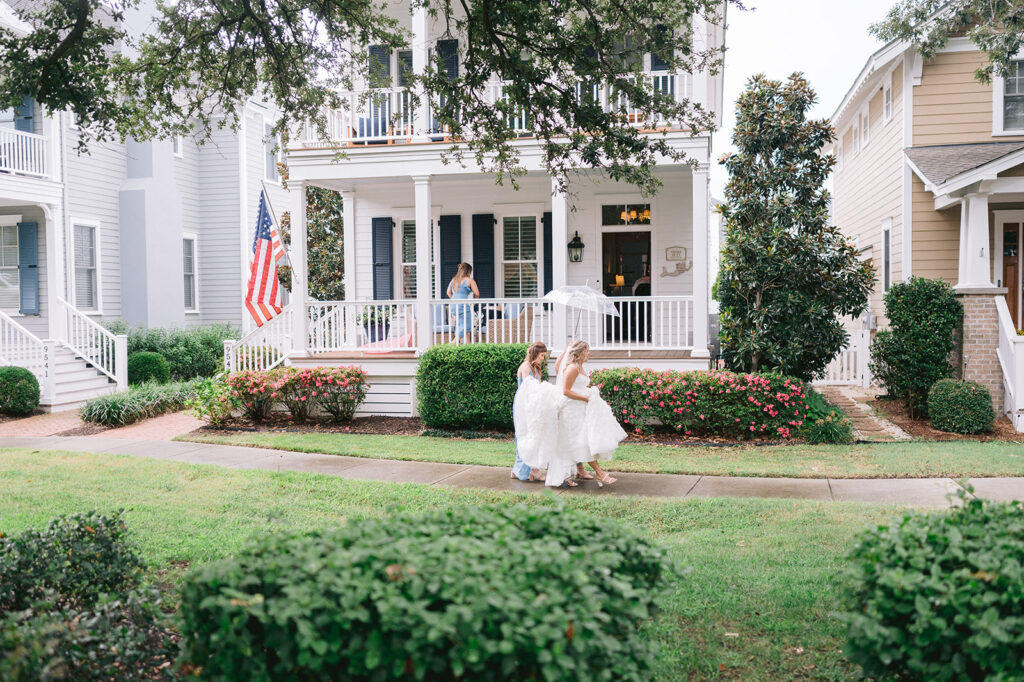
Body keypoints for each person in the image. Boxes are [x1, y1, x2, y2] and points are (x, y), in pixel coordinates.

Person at [554, 340, 625, 486]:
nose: (589, 353)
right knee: (578, 442)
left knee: (580, 442)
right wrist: (586, 398)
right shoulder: (572, 368)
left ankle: (576, 474)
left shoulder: (579, 366)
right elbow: (566, 391)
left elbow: (577, 387)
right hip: (571, 411)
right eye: (587, 351)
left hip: (579, 409)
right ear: (579, 354)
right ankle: (599, 474)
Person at [511, 342, 548, 482]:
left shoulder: (536, 368)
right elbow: (528, 388)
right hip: (523, 405)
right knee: (525, 435)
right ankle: (524, 470)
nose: (543, 359)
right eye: (542, 355)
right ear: (535, 354)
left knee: (535, 435)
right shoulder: (525, 367)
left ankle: (531, 469)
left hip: (534, 404)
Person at [446, 263, 479, 344]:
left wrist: (454, 300)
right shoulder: (469, 280)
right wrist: (474, 302)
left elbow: (448, 293)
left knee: (461, 324)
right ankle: (452, 344)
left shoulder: (454, 280)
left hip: (454, 306)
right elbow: (477, 293)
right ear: (469, 271)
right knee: (467, 325)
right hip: (462, 306)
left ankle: (468, 344)